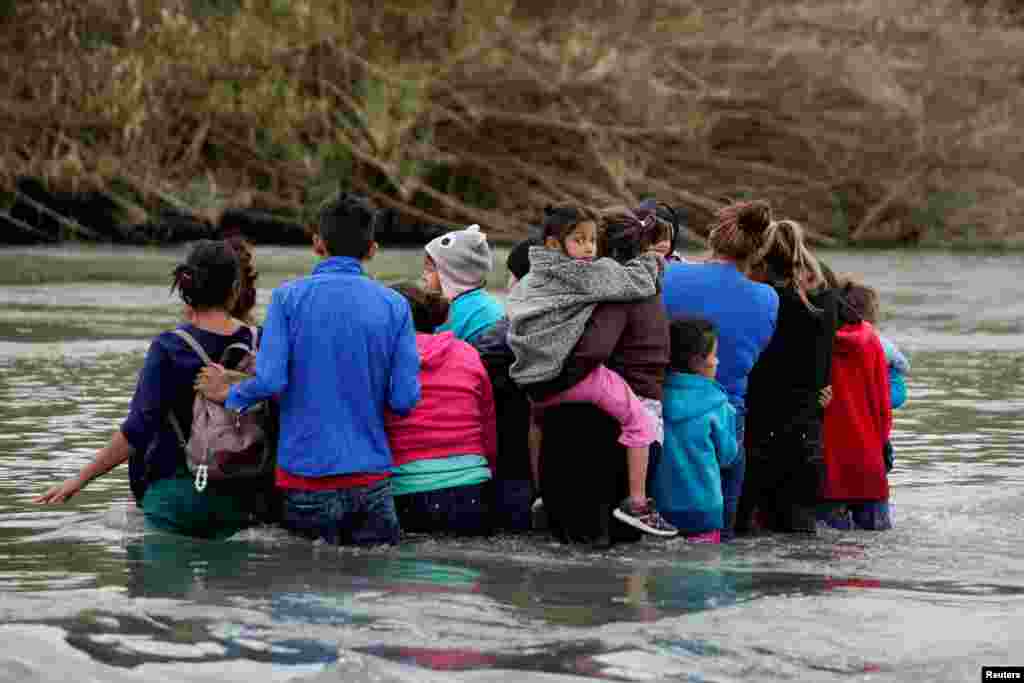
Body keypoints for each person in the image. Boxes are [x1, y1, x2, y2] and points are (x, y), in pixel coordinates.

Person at [198, 193, 421, 546]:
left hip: (306, 479)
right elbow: (405, 400)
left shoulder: (288, 299)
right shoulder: (396, 307)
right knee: (374, 590)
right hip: (371, 480)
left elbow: (271, 380)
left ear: (318, 243)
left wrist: (230, 392)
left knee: (307, 587)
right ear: (372, 249)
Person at [35, 240, 271, 538]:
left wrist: (79, 480)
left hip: (179, 499)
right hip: (250, 500)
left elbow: (138, 429)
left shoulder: (169, 347)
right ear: (235, 288)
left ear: (187, 289)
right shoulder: (261, 340)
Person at [510, 205, 676, 537]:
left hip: (565, 397)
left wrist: (550, 376)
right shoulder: (637, 290)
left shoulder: (544, 277)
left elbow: (591, 347)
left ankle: (542, 493)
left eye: (593, 241)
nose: (588, 249)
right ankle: (637, 503)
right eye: (581, 241)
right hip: (641, 406)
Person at [661, 200, 779, 540]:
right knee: (718, 528)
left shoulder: (668, 274)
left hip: (666, 408)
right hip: (727, 412)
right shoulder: (767, 298)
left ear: (714, 237)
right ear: (758, 251)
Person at [740, 218, 839, 534]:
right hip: (806, 428)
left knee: (746, 529)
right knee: (800, 530)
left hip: (760, 426)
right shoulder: (824, 299)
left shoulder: (763, 300)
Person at [385, 283, 497, 536]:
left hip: (407, 489)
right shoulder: (467, 353)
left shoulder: (383, 359)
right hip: (474, 487)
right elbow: (488, 427)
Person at [651, 318, 739, 543]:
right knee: (702, 574)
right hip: (704, 512)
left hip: (659, 510)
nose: (717, 361)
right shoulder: (718, 404)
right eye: (713, 355)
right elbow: (728, 457)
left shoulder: (653, 398)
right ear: (698, 362)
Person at [817, 278, 895, 530]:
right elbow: (882, 406)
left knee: (825, 555)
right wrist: (882, 446)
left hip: (827, 467)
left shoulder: (816, 341)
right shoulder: (872, 342)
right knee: (874, 551)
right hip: (868, 465)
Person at [422, 224, 504, 345]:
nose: (423, 276)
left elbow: (434, 352)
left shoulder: (456, 315)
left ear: (451, 273)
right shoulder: (481, 302)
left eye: (429, 270)